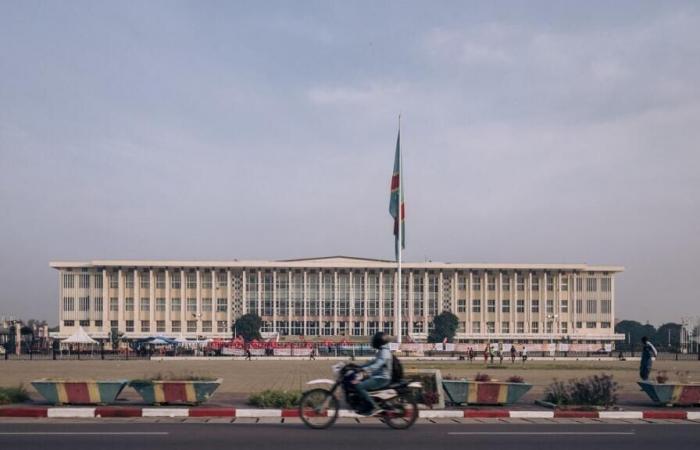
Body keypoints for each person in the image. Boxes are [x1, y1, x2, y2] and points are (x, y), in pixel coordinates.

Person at [355, 332, 392, 415]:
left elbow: (377, 365)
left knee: (360, 386)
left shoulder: (384, 352)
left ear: (379, 341)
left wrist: (365, 369)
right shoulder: (382, 351)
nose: (373, 342)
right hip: (378, 376)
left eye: (375, 340)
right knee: (359, 382)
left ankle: (375, 407)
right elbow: (373, 362)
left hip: (382, 378)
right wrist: (359, 367)